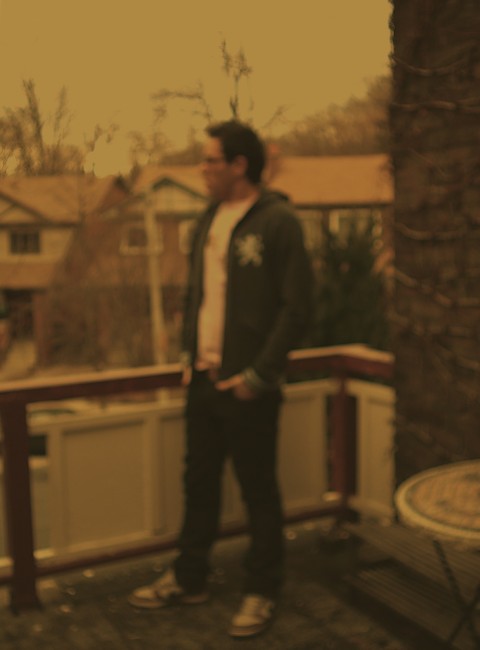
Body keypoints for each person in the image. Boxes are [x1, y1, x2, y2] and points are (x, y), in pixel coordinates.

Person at [129, 120, 313, 638]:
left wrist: (260, 374)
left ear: (239, 165)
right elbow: (199, 295)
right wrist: (189, 355)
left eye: (210, 159)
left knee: (258, 490)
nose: (202, 168)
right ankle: (190, 578)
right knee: (199, 484)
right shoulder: (210, 218)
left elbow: (298, 307)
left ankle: (262, 589)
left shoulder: (278, 222)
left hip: (248, 386)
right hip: (204, 380)